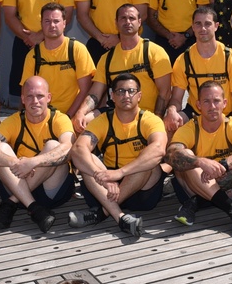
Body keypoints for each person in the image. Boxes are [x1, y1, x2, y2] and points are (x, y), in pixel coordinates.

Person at [68, 73, 168, 238]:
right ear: (112, 96)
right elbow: (78, 149)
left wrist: (120, 173)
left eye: (131, 91)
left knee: (148, 162)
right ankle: (121, 217)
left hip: (140, 189)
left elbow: (158, 149)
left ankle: (100, 213)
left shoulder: (150, 120)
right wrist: (107, 180)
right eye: (120, 91)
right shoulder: (102, 120)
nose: (126, 95)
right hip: (105, 188)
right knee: (87, 158)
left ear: (139, 95)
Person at [0, 76, 77, 232]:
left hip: (49, 189)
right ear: (23, 99)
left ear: (49, 98)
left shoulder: (59, 119)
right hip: (19, 181)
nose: (35, 101)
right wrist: (13, 162)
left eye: (40, 96)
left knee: (54, 145)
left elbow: (69, 148)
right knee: (0, 149)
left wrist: (33, 162)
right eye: (30, 96)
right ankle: (34, 208)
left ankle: (11, 203)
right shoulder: (14, 121)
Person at [165, 81, 232, 234]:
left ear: (224, 103)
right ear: (198, 105)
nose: (212, 106)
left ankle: (197, 202)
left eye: (216, 101)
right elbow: (170, 154)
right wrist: (200, 162)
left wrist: (223, 165)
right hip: (198, 185)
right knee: (186, 156)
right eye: (206, 101)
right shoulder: (190, 128)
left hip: (224, 184)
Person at [74, 4, 172, 130]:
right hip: (115, 114)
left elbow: (165, 92)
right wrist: (81, 112)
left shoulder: (155, 52)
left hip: (148, 116)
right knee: (82, 122)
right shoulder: (107, 58)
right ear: (116, 22)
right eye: (123, 18)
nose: (127, 22)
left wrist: (157, 120)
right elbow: (95, 93)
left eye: (132, 18)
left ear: (139, 22)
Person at [2, 0, 75, 100]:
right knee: (25, 90)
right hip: (23, 43)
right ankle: (24, 120)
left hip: (53, 43)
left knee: (53, 85)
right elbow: (9, 15)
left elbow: (67, 14)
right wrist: (28, 37)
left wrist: (41, 35)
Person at [163, 6, 232, 132]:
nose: (203, 28)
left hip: (226, 114)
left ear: (216, 26)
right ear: (192, 27)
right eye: (198, 24)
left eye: (208, 24)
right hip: (195, 113)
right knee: (170, 124)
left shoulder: (230, 57)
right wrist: (171, 111)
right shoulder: (183, 60)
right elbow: (176, 98)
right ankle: (173, 152)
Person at [20, 3, 96, 119]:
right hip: (43, 117)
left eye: (56, 21)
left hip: (72, 115)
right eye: (47, 21)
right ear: (41, 24)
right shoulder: (33, 55)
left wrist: (68, 117)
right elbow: (26, 92)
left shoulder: (77, 49)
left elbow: (86, 89)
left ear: (64, 23)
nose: (52, 25)